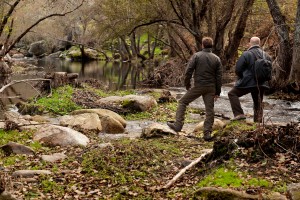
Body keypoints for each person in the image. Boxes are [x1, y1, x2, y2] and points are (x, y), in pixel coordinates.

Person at [167, 37, 222, 141]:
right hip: (211, 88)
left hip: (198, 86)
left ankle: (178, 125)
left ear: (202, 45)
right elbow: (219, 77)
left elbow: (188, 71)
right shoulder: (216, 58)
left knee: (183, 102)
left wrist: (187, 85)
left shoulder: (196, 56)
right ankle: (207, 134)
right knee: (209, 110)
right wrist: (217, 92)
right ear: (212, 45)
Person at [228, 36, 272, 122]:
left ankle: (239, 114)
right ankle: (258, 122)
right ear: (259, 43)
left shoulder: (246, 54)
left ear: (250, 43)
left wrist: (241, 78)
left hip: (248, 82)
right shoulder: (267, 55)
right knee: (258, 102)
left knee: (232, 94)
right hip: (262, 83)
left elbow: (238, 69)